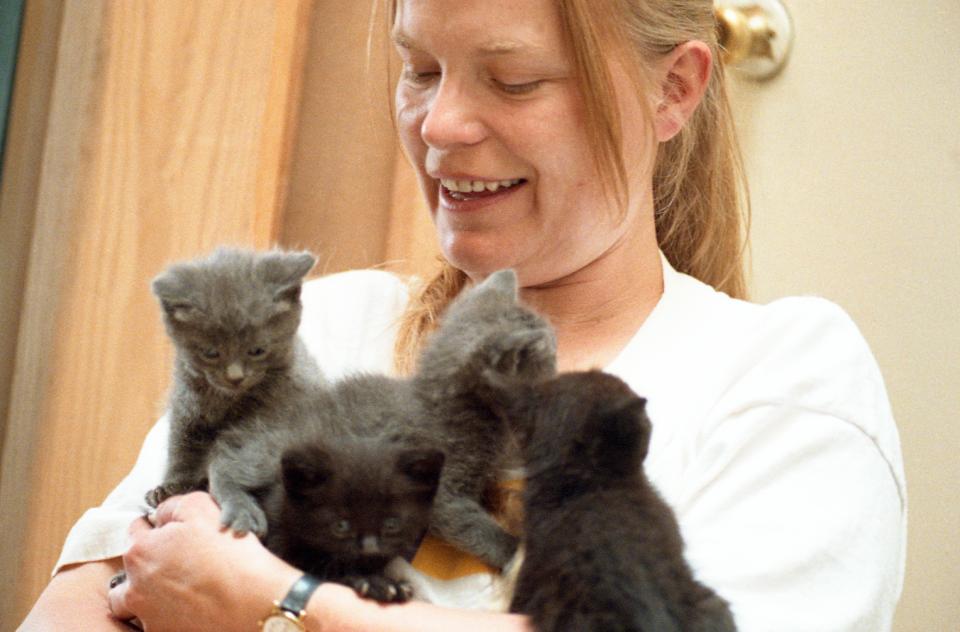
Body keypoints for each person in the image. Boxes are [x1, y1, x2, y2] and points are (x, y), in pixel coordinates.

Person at [21, 0, 906, 630]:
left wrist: (280, 603)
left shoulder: (784, 376)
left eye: (513, 80)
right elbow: (84, 604)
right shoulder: (314, 332)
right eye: (419, 69)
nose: (440, 124)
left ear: (674, 88)